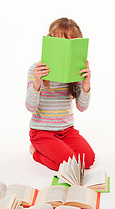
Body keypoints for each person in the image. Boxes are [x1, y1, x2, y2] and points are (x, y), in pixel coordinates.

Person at [26, 17, 95, 171]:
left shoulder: (75, 71)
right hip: (42, 132)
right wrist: (37, 82)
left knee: (88, 161)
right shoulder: (35, 69)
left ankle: (54, 151)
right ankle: (35, 151)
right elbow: (30, 107)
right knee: (67, 165)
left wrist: (86, 85)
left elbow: (82, 108)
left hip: (67, 130)